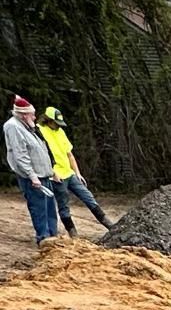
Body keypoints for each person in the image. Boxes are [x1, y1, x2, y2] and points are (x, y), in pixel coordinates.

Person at [37, 107, 109, 234]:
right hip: (56, 176)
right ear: (48, 120)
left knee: (88, 197)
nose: (58, 126)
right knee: (64, 205)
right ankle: (73, 233)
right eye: (55, 123)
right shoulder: (40, 131)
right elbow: (41, 156)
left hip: (69, 174)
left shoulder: (60, 132)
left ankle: (109, 224)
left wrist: (78, 173)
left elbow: (69, 154)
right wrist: (53, 173)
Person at [4, 94, 59, 245]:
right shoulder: (13, 127)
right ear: (23, 115)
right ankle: (44, 239)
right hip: (33, 178)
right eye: (32, 114)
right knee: (39, 209)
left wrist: (51, 170)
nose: (35, 117)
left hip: (44, 175)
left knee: (50, 209)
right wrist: (32, 176)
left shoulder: (29, 127)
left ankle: (54, 237)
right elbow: (20, 155)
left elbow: (41, 149)